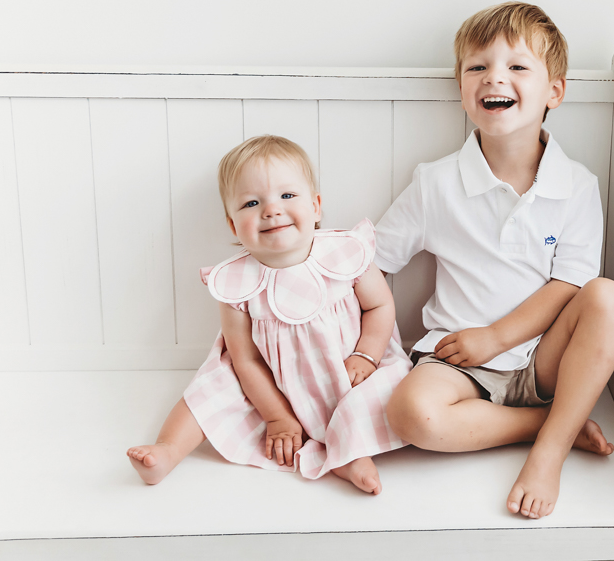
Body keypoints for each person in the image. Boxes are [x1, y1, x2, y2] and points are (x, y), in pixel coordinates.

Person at [376, 2, 614, 519]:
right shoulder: (436, 182)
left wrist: (497, 337)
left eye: (517, 66)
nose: (495, 77)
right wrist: (365, 344)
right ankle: (553, 424)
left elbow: (569, 286)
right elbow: (373, 263)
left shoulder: (577, 185)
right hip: (458, 359)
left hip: (543, 360)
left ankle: (550, 450)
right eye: (478, 67)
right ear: (463, 88)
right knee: (408, 415)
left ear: (554, 91)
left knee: (607, 296)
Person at [127, 135, 410, 495]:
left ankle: (351, 456)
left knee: (382, 394)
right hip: (270, 384)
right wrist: (277, 416)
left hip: (350, 367)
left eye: (287, 196)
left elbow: (380, 306)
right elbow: (245, 360)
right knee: (209, 389)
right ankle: (168, 449)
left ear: (316, 206)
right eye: (251, 202)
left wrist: (367, 354)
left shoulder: (345, 254)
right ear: (232, 225)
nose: (271, 210)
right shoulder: (236, 284)